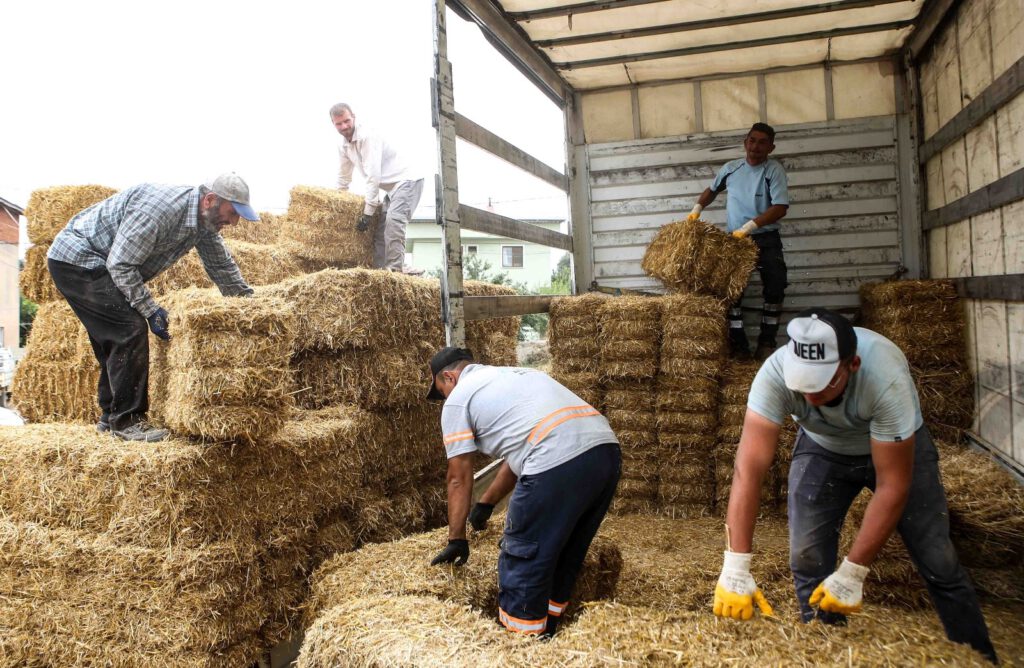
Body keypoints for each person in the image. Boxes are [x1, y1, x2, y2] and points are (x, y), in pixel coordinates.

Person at [713, 307, 997, 664]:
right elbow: (748, 469)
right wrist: (735, 567)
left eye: (822, 384)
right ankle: (825, 651)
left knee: (938, 559)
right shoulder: (775, 373)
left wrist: (852, 573)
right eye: (803, 384)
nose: (810, 395)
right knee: (807, 557)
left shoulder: (884, 377)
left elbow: (893, 485)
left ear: (852, 365)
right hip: (823, 449)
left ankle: (978, 655)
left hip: (897, 451)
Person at [47, 173, 258, 443]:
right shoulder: (160, 210)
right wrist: (151, 310)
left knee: (113, 336)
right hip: (78, 259)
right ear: (210, 200)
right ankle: (127, 421)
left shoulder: (204, 222)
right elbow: (120, 265)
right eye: (233, 212)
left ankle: (109, 418)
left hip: (98, 263)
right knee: (130, 329)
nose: (234, 222)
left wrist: (251, 308)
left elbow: (221, 265)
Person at [426, 347, 621, 637]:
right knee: (565, 552)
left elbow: (458, 476)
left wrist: (457, 538)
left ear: (449, 377)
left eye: (441, 391)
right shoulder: (514, 376)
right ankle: (551, 631)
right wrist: (487, 503)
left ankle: (522, 646)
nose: (444, 398)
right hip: (605, 453)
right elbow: (521, 452)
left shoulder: (458, 399)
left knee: (523, 557)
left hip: (556, 458)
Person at [688, 122, 789, 361]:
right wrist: (696, 209)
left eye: (762, 142)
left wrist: (750, 226)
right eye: (752, 140)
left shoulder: (773, 171)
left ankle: (766, 343)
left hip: (765, 239)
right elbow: (712, 190)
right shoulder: (731, 169)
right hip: (735, 241)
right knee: (731, 293)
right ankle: (739, 346)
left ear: (771, 147)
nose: (756, 147)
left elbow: (780, 207)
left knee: (775, 287)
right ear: (745, 143)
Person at [330, 102, 424, 274]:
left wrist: (368, 212)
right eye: (339, 123)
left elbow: (373, 176)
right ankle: (379, 273)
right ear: (333, 124)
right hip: (392, 189)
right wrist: (337, 205)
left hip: (407, 181)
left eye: (347, 121)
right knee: (380, 232)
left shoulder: (367, 137)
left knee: (393, 223)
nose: (344, 126)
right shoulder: (343, 146)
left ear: (354, 117)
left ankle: (395, 272)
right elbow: (343, 177)